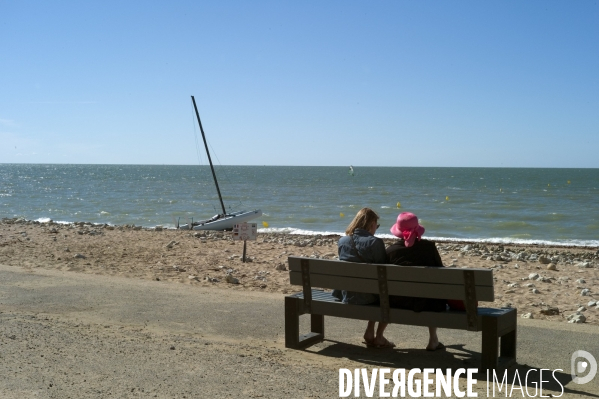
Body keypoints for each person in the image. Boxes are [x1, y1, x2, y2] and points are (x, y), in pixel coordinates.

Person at [386, 212, 447, 351]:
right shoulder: (429, 248)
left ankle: (379, 334)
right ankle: (433, 339)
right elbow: (441, 275)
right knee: (432, 290)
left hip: (398, 301)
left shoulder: (391, 251)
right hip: (428, 303)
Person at [337, 208, 395, 349]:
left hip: (347, 295)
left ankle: (370, 331)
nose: (376, 228)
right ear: (371, 224)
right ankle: (378, 335)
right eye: (377, 225)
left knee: (372, 286)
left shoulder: (342, 241)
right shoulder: (375, 243)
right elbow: (384, 273)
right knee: (383, 290)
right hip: (368, 298)